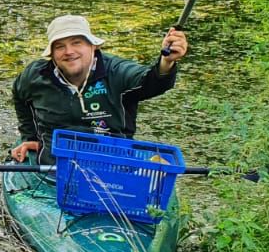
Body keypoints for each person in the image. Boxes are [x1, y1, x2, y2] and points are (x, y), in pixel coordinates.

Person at [10, 15, 188, 164]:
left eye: (77, 42)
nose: (69, 51)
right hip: (52, 169)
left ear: (93, 46)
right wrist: (30, 137)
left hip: (112, 166)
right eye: (60, 46)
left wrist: (167, 62)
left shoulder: (116, 71)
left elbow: (151, 81)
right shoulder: (35, 76)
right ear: (52, 54)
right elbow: (19, 96)